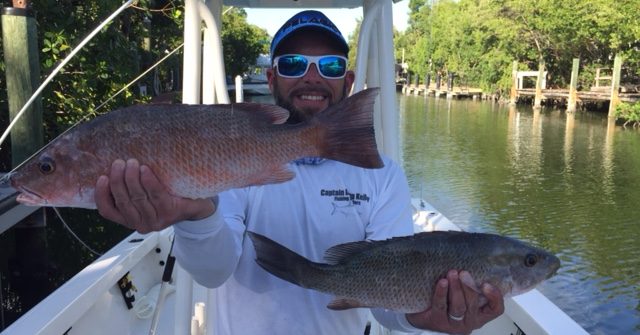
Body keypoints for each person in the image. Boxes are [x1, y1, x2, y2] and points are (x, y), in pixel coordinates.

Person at [95, 10, 504, 334]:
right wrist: (193, 216)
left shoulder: (382, 175)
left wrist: (423, 318)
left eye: (328, 65)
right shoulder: (225, 157)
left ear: (348, 80)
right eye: (293, 63)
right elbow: (213, 271)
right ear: (272, 77)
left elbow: (386, 303)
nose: (312, 76)